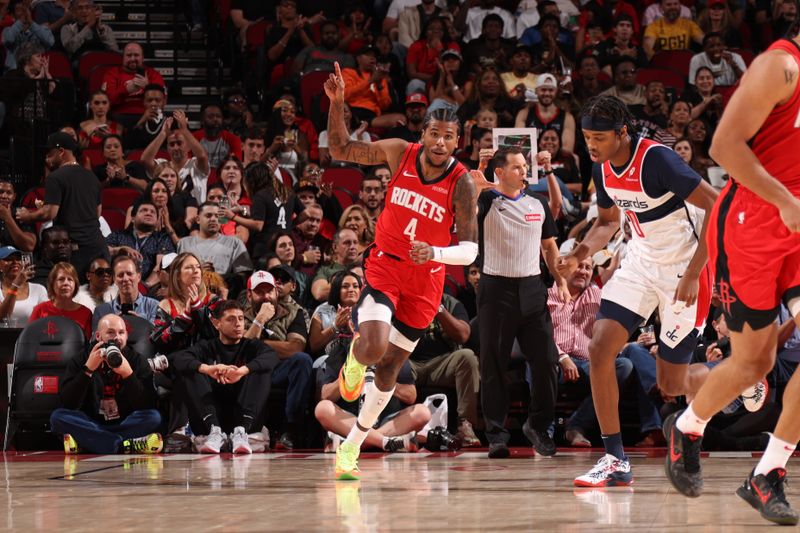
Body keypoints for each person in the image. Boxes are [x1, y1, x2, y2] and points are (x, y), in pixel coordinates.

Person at [662, 30, 800, 525]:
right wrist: (785, 200)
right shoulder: (781, 66)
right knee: (753, 365)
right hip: (753, 227)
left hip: (798, 228)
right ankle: (688, 426)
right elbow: (722, 146)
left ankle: (769, 472)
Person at [323, 62, 480, 480]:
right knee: (373, 348)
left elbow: (469, 251)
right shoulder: (399, 151)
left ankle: (352, 446)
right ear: (423, 132)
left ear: (457, 140)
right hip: (387, 266)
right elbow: (340, 149)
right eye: (434, 133)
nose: (440, 142)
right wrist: (338, 104)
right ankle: (355, 362)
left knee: (392, 367)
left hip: (426, 281)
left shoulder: (462, 184)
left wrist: (435, 253)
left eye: (448, 136)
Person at [557, 96, 719, 487]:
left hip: (685, 264)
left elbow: (717, 210)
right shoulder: (601, 165)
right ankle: (615, 458)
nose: (591, 146)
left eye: (599, 138)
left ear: (622, 133)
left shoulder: (658, 160)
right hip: (641, 263)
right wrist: (579, 254)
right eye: (587, 137)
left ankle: (737, 377)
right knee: (600, 348)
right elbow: (608, 222)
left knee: (671, 384)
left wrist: (694, 273)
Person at [470, 147, 567, 458]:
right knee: (493, 364)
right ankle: (497, 435)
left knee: (547, 361)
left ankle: (538, 426)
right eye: (516, 167)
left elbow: (550, 249)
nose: (524, 172)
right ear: (500, 172)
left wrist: (561, 280)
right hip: (495, 289)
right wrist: (480, 168)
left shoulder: (537, 204)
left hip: (532, 289)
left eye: (525, 166)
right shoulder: (486, 200)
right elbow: (463, 203)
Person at [171, 299, 278, 454]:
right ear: (216, 323)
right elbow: (179, 359)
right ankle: (215, 432)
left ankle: (242, 432)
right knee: (192, 369)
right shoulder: (207, 346)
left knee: (261, 369)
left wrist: (242, 371)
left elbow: (272, 357)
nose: (238, 324)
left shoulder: (251, 346)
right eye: (231, 319)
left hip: (245, 417)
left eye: (241, 319)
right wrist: (208, 369)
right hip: (211, 418)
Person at [50, 314, 162, 454]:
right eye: (110, 332)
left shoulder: (137, 360)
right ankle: (123, 445)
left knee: (154, 417)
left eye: (121, 333)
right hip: (91, 421)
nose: (117, 337)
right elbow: (68, 403)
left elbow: (146, 404)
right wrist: (87, 370)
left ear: (127, 336)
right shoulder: (82, 358)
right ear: (98, 336)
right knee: (58, 417)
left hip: (123, 422)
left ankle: (87, 442)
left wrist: (128, 374)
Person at [16, 132, 108, 277]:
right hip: (99, 247)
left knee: (73, 295)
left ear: (61, 151)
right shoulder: (92, 177)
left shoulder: (56, 177)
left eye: (50, 152)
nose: (47, 158)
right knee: (100, 296)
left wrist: (28, 216)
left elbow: (50, 213)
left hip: (76, 251)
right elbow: (97, 213)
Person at [242, 270, 313, 450]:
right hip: (251, 371)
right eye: (259, 292)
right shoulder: (239, 314)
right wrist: (259, 320)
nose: (266, 297)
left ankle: (291, 429)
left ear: (276, 292)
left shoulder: (293, 312)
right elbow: (240, 351)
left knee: (302, 360)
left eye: (269, 291)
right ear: (249, 295)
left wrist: (259, 343)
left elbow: (295, 348)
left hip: (280, 370)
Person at [408, 292, 481, 447]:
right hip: (410, 362)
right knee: (390, 364)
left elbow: (463, 335)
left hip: (441, 363)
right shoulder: (403, 300)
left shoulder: (450, 302)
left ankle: (465, 424)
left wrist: (438, 309)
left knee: (467, 356)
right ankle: (392, 424)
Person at [142, 112, 211, 204]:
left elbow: (202, 156)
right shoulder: (162, 166)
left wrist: (185, 130)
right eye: (171, 144)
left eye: (179, 143)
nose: (175, 147)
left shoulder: (195, 165)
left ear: (189, 146)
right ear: (167, 148)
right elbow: (145, 160)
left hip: (196, 215)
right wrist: (163, 134)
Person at [107, 200, 175, 286]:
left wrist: (145, 286)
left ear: (157, 221)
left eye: (153, 212)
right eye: (144, 210)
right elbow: (103, 252)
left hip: (149, 288)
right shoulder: (118, 235)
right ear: (132, 218)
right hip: (117, 284)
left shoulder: (162, 238)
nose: (148, 213)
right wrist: (119, 250)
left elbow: (161, 265)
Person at [177, 202, 252, 277]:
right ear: (198, 219)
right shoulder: (184, 243)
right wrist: (198, 271)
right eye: (208, 215)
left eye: (217, 216)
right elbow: (177, 274)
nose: (213, 219)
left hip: (224, 286)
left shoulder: (234, 243)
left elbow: (243, 275)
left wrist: (216, 278)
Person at [101, 42, 166, 127]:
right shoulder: (112, 74)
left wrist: (147, 88)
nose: (132, 59)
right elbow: (106, 102)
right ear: (123, 57)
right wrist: (126, 90)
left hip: (148, 114)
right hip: (118, 116)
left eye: (136, 55)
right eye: (129, 55)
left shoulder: (153, 74)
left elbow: (162, 101)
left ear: (142, 58)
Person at [92, 254, 159, 329]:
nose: (126, 279)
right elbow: (95, 339)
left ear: (139, 276)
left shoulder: (155, 306)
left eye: (129, 274)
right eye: (120, 275)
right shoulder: (101, 311)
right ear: (114, 280)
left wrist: (142, 323)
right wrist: (112, 326)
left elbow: (160, 338)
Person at [30, 262, 93, 339]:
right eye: (61, 279)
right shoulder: (40, 310)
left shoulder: (86, 313)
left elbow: (87, 345)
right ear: (52, 284)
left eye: (70, 279)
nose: (66, 283)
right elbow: (30, 340)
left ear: (75, 285)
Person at [309, 270, 361, 357]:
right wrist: (335, 326)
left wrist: (351, 331)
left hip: (359, 359)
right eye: (345, 286)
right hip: (327, 359)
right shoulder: (322, 310)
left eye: (355, 286)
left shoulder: (367, 311)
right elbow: (314, 346)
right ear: (336, 290)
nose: (351, 290)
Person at [310, 227, 360, 302]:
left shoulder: (365, 269)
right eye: (347, 243)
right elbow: (319, 293)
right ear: (335, 247)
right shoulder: (325, 270)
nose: (352, 247)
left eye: (355, 242)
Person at [0, 245, 45, 323]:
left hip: (31, 334)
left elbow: (46, 319)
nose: (15, 262)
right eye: (8, 259)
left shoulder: (38, 289)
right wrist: (15, 285)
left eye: (18, 258)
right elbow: (2, 318)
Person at [193, 103, 242, 170]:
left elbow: (237, 165)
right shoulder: (193, 139)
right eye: (210, 117)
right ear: (202, 120)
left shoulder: (233, 139)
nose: (215, 119)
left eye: (218, 116)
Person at [0, 178, 35, 252]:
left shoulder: (23, 215)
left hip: (17, 261)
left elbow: (29, 246)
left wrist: (7, 218)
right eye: (0, 192)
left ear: (14, 196)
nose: (4, 196)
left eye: (9, 193)